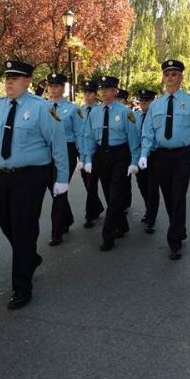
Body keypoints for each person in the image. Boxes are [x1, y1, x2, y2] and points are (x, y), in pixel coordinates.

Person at [0, 60, 68, 310]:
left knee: (24, 227)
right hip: (2, 176)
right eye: (7, 76)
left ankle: (21, 286)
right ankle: (30, 257)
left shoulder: (42, 109)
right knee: (4, 221)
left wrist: (61, 179)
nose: (9, 81)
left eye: (15, 77)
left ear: (27, 81)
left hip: (31, 176)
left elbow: (58, 145)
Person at [139, 60, 190, 258]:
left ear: (180, 77)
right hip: (160, 156)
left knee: (177, 195)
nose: (170, 77)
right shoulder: (156, 104)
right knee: (169, 197)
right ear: (163, 78)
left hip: (182, 155)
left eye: (174, 74)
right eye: (167, 74)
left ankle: (174, 242)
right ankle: (180, 228)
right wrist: (144, 153)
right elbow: (148, 131)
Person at [82, 76, 140, 252]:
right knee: (108, 194)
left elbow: (133, 139)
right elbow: (89, 137)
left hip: (120, 155)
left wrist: (134, 161)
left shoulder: (125, 112)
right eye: (103, 89)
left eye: (108, 89)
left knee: (115, 196)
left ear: (115, 91)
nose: (105, 93)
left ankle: (108, 236)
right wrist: (87, 159)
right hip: (101, 155)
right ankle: (122, 225)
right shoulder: (95, 113)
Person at [46, 72, 83, 246]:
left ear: (63, 88)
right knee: (51, 187)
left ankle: (57, 231)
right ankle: (66, 218)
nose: (54, 89)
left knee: (58, 189)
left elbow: (80, 134)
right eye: (51, 86)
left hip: (67, 151)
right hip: (47, 151)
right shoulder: (43, 107)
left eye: (57, 86)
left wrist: (84, 157)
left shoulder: (73, 109)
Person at [78, 80, 105, 227]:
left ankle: (90, 214)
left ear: (95, 95)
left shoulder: (100, 111)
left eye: (90, 93)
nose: (87, 96)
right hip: (81, 151)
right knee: (87, 183)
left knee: (92, 182)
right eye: (86, 93)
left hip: (95, 152)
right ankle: (97, 207)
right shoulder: (79, 110)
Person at [134, 89, 160, 233]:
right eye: (142, 100)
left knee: (152, 187)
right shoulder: (136, 116)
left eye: (146, 100)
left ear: (152, 101)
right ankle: (148, 209)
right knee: (142, 184)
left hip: (153, 155)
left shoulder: (156, 116)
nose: (143, 103)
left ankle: (151, 218)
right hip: (139, 154)